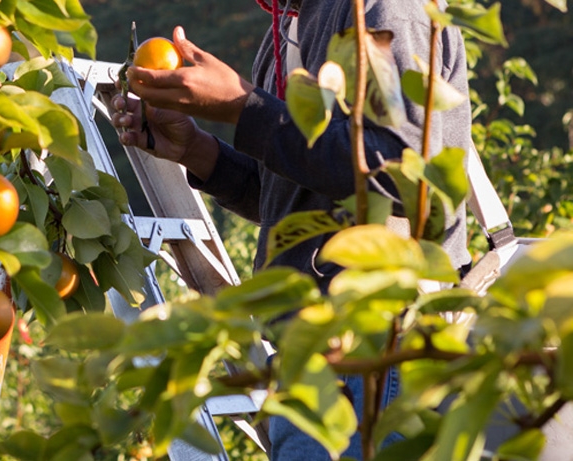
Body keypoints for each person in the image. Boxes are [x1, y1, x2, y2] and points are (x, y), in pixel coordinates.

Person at [110, 0, 474, 459]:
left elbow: (400, 171)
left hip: (379, 340)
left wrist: (244, 107)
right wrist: (197, 149)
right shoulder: (288, 30)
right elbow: (286, 195)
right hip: (310, 348)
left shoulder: (384, 9)